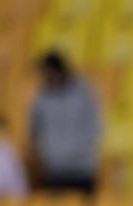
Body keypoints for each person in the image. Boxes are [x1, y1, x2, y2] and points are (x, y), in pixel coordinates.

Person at [30, 50, 101, 194]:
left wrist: (85, 150)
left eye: (50, 72)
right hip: (54, 168)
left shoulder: (84, 92)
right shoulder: (41, 97)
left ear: (60, 70)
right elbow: (35, 128)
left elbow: (95, 124)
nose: (48, 77)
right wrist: (44, 152)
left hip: (82, 167)